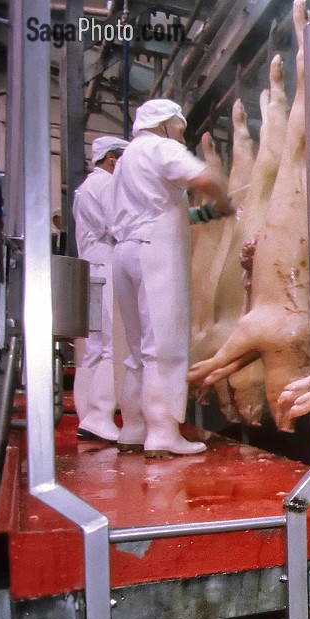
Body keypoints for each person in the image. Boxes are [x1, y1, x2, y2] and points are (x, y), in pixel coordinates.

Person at [107, 99, 232, 456]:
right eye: (179, 127)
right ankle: (163, 433)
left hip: (125, 252)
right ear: (164, 124)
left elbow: (161, 206)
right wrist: (222, 199)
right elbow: (205, 178)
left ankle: (134, 427)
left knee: (137, 350)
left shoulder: (127, 158)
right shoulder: (161, 147)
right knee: (164, 346)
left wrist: (206, 214)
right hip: (155, 251)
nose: (182, 134)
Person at [70, 135, 128, 443]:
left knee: (93, 348)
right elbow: (117, 227)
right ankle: (100, 415)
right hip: (105, 264)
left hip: (90, 266)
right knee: (110, 344)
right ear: (111, 159)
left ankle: (87, 417)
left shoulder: (84, 188)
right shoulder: (105, 186)